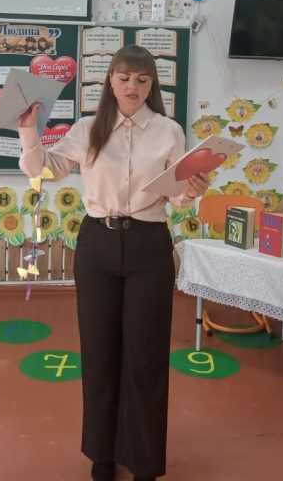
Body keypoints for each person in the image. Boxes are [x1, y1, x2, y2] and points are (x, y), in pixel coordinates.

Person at [17, 45, 208, 481]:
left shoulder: (168, 131)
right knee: (99, 352)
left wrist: (192, 190)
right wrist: (29, 132)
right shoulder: (89, 128)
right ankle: (102, 453)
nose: (132, 87)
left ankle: (143, 460)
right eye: (124, 78)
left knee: (146, 355)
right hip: (97, 245)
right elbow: (43, 170)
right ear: (110, 81)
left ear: (152, 84)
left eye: (142, 80)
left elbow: (177, 196)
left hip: (148, 245)